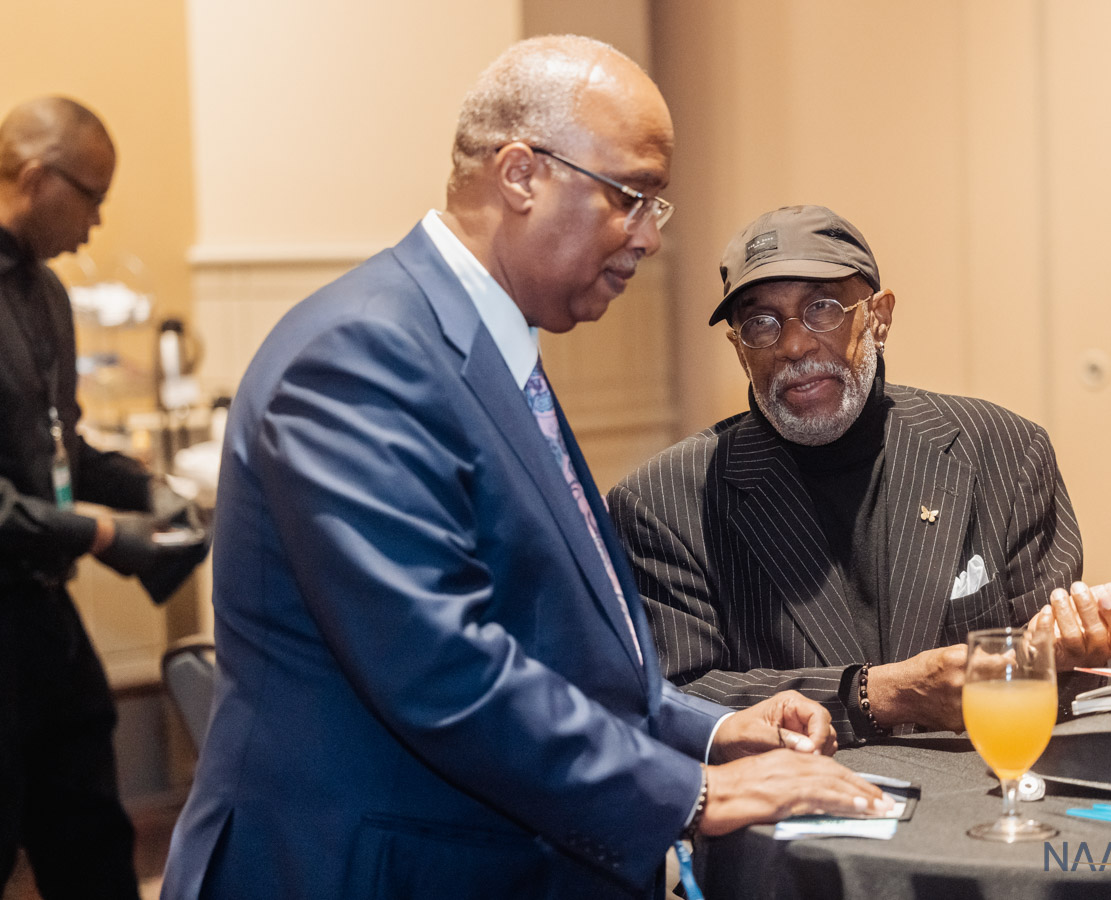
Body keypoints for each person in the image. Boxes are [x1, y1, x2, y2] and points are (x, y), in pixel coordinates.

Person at [160, 37, 893, 900]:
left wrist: (710, 729)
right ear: (521, 175)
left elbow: (552, 643)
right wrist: (695, 793)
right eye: (633, 198)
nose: (650, 238)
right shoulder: (360, 355)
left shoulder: (488, 347)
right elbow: (440, 667)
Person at [608, 204, 1111, 746]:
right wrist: (879, 694)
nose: (794, 344)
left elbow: (1054, 685)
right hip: (798, 797)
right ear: (739, 349)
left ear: (879, 316)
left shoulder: (1005, 452)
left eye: (823, 308)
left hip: (985, 791)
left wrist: (1076, 647)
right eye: (761, 323)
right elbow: (674, 700)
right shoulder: (664, 500)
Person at [0, 97, 208, 898]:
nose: (97, 222)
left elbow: (63, 449)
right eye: (92, 196)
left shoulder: (47, 296)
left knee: (91, 841)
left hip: (46, 622)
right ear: (35, 178)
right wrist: (98, 534)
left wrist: (148, 491)